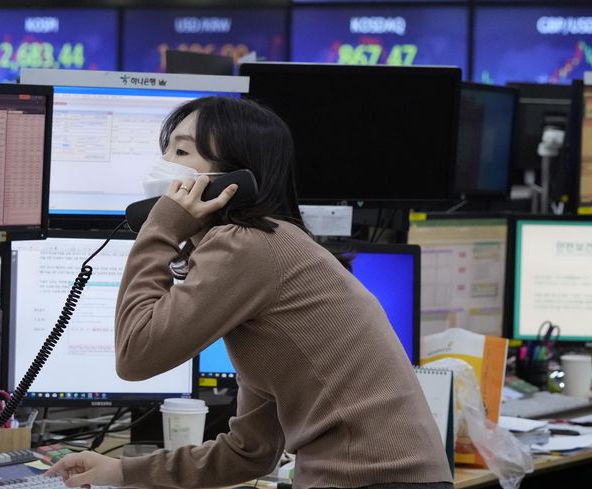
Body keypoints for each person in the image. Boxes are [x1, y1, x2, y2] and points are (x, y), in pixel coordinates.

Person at [46, 97, 453, 489]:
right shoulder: (270, 249)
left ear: (229, 182)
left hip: (369, 480)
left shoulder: (246, 245)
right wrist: (121, 471)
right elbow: (250, 452)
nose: (165, 166)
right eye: (165, 150)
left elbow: (136, 354)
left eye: (182, 152)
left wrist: (161, 229)